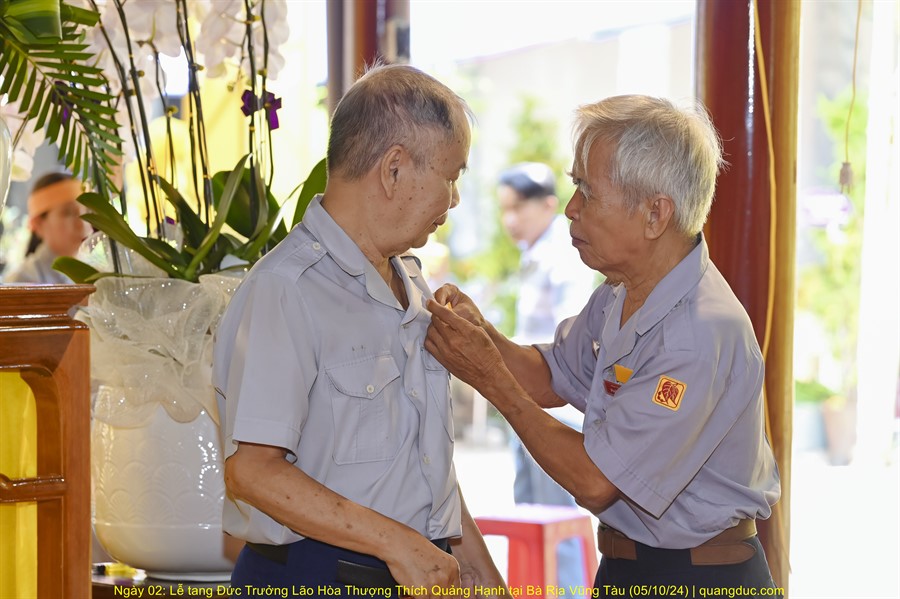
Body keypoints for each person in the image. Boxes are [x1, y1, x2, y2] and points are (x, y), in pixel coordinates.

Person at [425, 95, 782, 597]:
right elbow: (551, 376)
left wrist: (490, 378)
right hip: (627, 567)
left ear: (655, 215)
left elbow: (595, 480)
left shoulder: (697, 333)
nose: (571, 209)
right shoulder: (622, 290)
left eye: (587, 192)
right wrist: (480, 333)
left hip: (698, 577)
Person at [212, 64, 505, 597]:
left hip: (416, 571)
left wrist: (475, 565)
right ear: (393, 169)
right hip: (314, 577)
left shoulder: (410, 281)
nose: (455, 199)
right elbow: (252, 472)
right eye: (451, 176)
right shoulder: (288, 288)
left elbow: (418, 460)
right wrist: (397, 544)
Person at [497, 162, 596, 587]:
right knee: (529, 514)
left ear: (549, 206)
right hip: (525, 400)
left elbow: (568, 350)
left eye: (518, 207)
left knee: (557, 522)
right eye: (504, 209)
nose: (510, 220)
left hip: (556, 409)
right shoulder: (533, 254)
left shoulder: (564, 256)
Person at [4, 172, 90, 284]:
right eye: (68, 213)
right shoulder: (22, 281)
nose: (82, 223)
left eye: (86, 211)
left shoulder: (94, 272)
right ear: (38, 224)